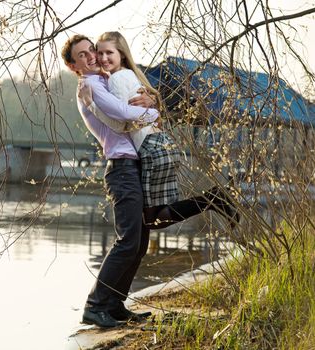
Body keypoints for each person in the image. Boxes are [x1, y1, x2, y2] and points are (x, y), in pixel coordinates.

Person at [79, 31, 239, 231]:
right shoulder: (130, 75)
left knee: (153, 219)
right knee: (156, 216)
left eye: (109, 53)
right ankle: (214, 199)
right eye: (100, 53)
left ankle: (214, 199)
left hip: (151, 149)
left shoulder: (116, 80)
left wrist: (91, 104)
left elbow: (120, 125)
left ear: (121, 54)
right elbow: (140, 116)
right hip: (161, 144)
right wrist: (150, 114)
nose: (103, 58)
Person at [61, 34, 159, 328]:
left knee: (139, 242)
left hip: (133, 166)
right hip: (122, 168)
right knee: (128, 240)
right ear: (73, 65)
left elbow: (132, 104)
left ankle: (115, 305)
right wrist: (153, 111)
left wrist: (151, 98)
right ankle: (95, 306)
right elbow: (122, 113)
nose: (91, 56)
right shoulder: (90, 86)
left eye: (92, 50)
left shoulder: (106, 80)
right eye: (82, 55)